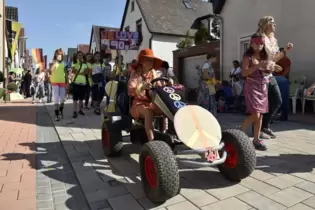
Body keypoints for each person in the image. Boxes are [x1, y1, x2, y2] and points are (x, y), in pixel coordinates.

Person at [257, 16, 293, 139]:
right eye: (273, 23)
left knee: (277, 100)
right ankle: (259, 130)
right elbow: (259, 59)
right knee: (262, 104)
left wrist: (285, 51)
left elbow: (274, 58)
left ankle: (265, 126)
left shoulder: (273, 40)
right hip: (260, 75)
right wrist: (272, 65)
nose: (275, 25)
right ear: (266, 24)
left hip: (269, 75)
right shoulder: (260, 39)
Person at [239, 33, 271, 150]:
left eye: (262, 44)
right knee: (256, 113)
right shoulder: (248, 56)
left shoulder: (264, 56)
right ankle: (240, 129)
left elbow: (266, 72)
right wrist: (257, 66)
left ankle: (256, 139)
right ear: (251, 44)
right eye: (257, 43)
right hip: (251, 85)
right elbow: (244, 73)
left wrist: (270, 69)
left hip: (262, 86)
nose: (259, 46)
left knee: (260, 114)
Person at [128, 49, 167, 142]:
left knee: (167, 109)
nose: (150, 62)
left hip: (152, 103)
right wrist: (142, 87)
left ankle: (165, 133)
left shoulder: (154, 73)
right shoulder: (135, 74)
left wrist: (168, 83)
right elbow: (131, 90)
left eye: (152, 60)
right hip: (138, 104)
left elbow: (160, 88)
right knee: (148, 112)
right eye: (147, 60)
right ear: (141, 61)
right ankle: (152, 142)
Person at [50, 49, 67, 121]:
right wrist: (55, 62)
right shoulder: (53, 62)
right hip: (55, 81)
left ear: (62, 55)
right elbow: (51, 70)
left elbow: (66, 73)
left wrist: (68, 83)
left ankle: (61, 110)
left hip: (62, 81)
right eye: (58, 54)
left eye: (61, 54)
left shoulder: (64, 63)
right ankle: (57, 114)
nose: (59, 56)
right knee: (56, 97)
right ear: (56, 55)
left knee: (62, 98)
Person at [274, 48, 291, 121]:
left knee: (274, 97)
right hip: (283, 79)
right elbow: (287, 70)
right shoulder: (287, 60)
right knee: (284, 98)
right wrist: (283, 77)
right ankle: (284, 115)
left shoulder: (276, 59)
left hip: (275, 79)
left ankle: (272, 114)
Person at [71, 51, 89, 118]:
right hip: (76, 82)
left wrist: (79, 73)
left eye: (81, 55)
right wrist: (78, 64)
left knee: (81, 98)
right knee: (75, 98)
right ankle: (74, 111)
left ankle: (80, 110)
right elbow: (74, 71)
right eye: (79, 55)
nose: (80, 56)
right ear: (76, 56)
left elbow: (86, 72)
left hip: (83, 83)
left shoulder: (84, 64)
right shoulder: (74, 63)